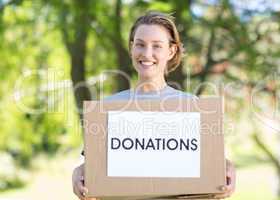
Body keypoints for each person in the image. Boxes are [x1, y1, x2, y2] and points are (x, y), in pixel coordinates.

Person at [72, 11, 236, 200]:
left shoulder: (193, 107)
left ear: (171, 51)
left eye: (157, 46)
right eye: (140, 44)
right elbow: (94, 164)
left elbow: (212, 162)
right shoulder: (108, 108)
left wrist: (228, 168)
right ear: (132, 48)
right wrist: (78, 172)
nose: (147, 53)